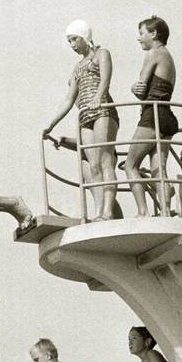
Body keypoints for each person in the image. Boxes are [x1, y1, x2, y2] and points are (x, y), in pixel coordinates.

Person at [42, 20, 119, 221]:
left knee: (105, 160)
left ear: (85, 37)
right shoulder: (77, 67)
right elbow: (69, 98)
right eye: (69, 41)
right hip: (85, 115)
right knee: (92, 165)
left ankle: (108, 212)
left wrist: (97, 98)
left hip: (102, 110)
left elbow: (105, 79)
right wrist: (51, 124)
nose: (72, 45)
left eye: (74, 39)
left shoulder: (102, 54)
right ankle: (100, 212)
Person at [124, 16, 177, 217]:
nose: (139, 39)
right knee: (159, 172)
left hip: (152, 115)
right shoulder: (168, 56)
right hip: (166, 116)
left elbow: (140, 88)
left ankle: (143, 212)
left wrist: (132, 87)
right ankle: (165, 212)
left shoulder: (153, 53)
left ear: (153, 34)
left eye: (141, 33)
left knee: (130, 165)